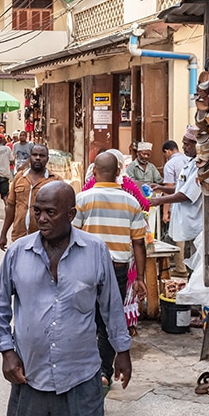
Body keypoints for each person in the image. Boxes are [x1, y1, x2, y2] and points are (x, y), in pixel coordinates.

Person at [0, 181, 132, 416]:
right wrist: (6, 351)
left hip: (80, 376)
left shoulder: (96, 250)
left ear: (71, 214)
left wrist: (123, 351)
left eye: (50, 212)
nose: (41, 218)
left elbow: (111, 306)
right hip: (30, 374)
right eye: (37, 211)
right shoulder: (18, 252)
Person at [74, 152, 148, 387]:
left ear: (93, 172)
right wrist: (140, 278)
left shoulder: (82, 199)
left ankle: (83, 369)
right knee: (109, 319)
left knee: (84, 317)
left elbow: (70, 237)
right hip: (117, 269)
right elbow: (139, 243)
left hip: (85, 267)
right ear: (118, 173)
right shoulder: (131, 202)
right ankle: (104, 371)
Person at [148, 127, 202, 275]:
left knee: (196, 264)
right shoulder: (189, 163)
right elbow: (180, 188)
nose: (183, 147)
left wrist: (160, 201)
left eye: (187, 144)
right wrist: (161, 188)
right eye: (183, 144)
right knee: (189, 260)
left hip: (195, 224)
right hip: (186, 224)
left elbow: (185, 195)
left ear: (197, 144)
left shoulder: (200, 166)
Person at [0, 145, 59, 250]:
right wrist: (3, 233)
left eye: (42, 155)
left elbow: (61, 211)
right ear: (30, 157)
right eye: (35, 155)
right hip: (19, 237)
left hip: (45, 240)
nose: (38, 158)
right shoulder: (19, 178)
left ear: (47, 159)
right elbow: (10, 207)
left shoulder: (55, 181)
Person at [159, 140, 188, 232]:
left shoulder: (170, 164)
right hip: (191, 203)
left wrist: (165, 212)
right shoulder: (189, 160)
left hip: (176, 204)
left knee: (177, 235)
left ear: (167, 151)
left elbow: (168, 188)